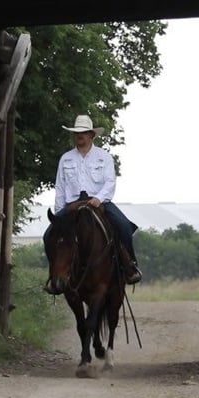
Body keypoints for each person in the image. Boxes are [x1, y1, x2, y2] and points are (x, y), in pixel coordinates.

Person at [43, 114, 142, 294]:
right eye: (77, 132)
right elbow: (60, 186)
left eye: (83, 132)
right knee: (48, 235)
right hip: (72, 204)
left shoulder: (104, 157)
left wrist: (99, 197)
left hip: (98, 202)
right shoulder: (66, 159)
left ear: (91, 135)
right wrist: (59, 213)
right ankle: (54, 275)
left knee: (123, 226)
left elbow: (110, 182)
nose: (79, 135)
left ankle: (130, 267)